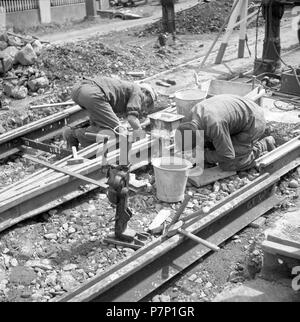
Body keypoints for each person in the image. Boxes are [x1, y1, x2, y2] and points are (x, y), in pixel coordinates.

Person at [175, 94, 276, 172]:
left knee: (228, 164)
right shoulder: (190, 117)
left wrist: (201, 155)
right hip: (241, 113)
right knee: (213, 146)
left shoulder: (214, 125)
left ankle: (264, 144)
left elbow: (227, 155)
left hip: (253, 123)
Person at [63, 76, 157, 149]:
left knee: (101, 127)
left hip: (79, 89)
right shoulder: (138, 92)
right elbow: (132, 119)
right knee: (117, 131)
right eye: (148, 102)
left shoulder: (127, 90)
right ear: (145, 92)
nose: (145, 105)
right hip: (93, 93)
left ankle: (71, 133)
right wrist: (141, 135)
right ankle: (74, 135)